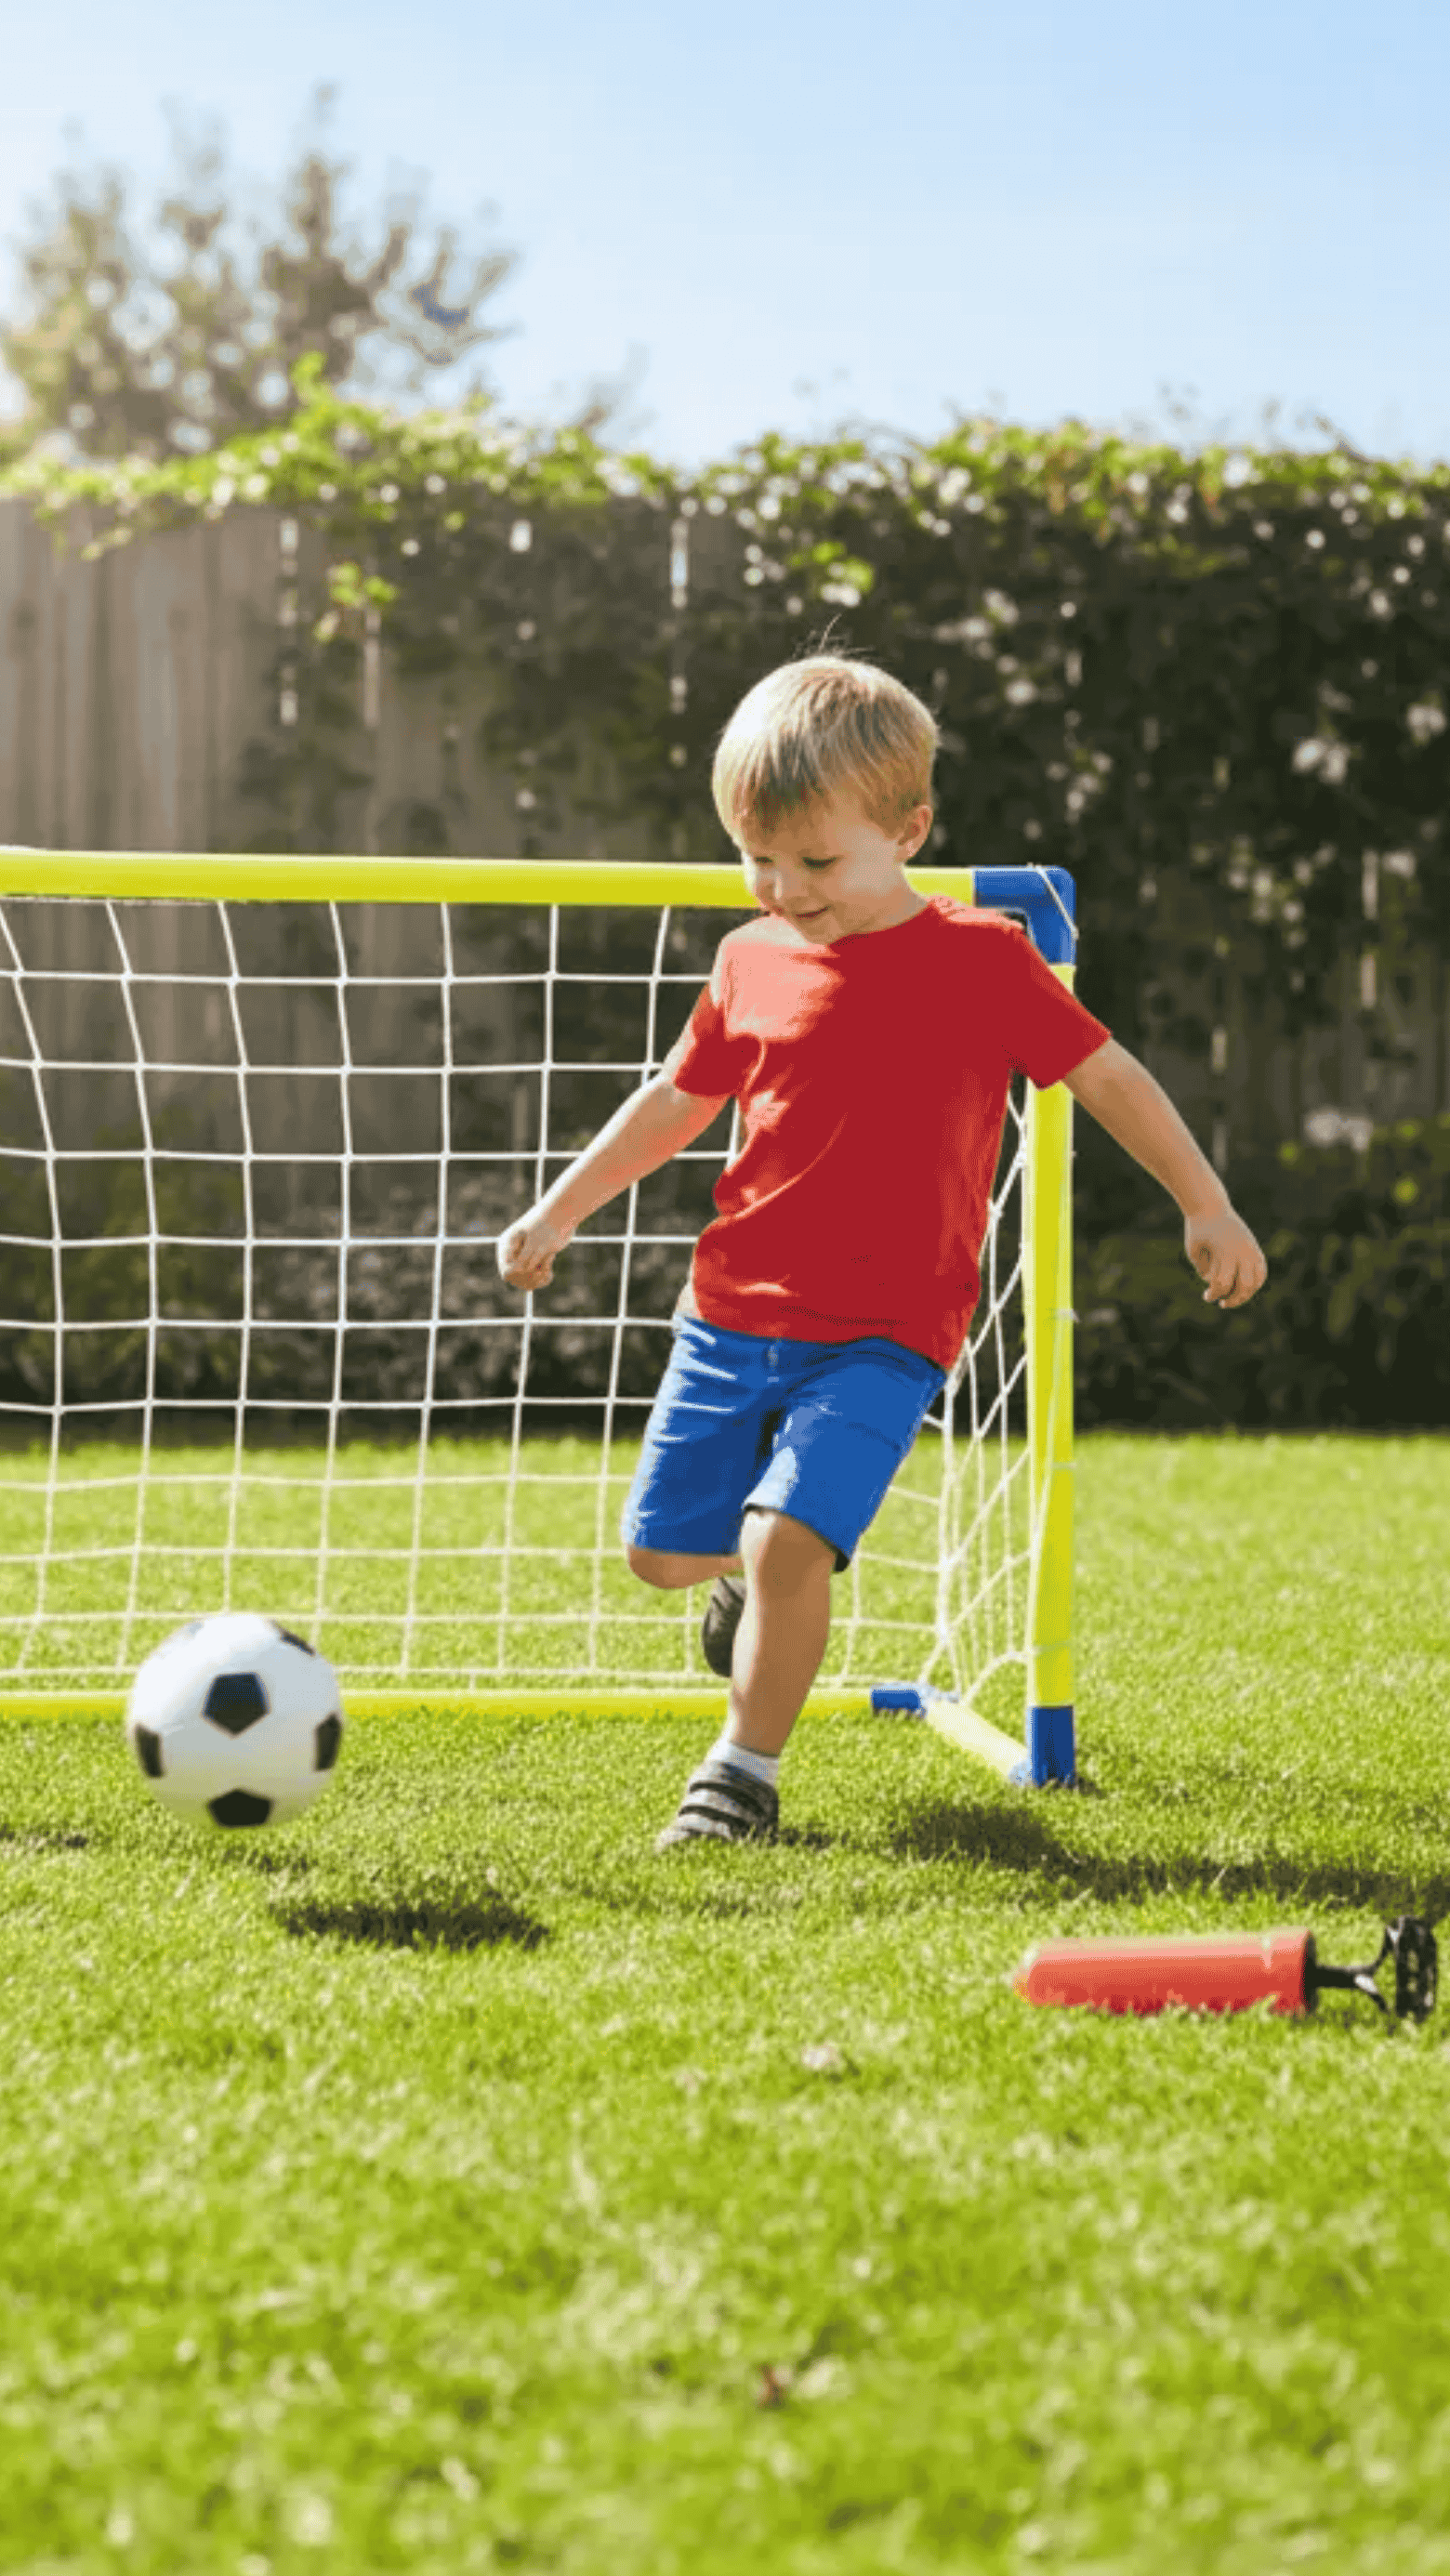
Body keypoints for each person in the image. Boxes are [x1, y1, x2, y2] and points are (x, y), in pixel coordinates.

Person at [494, 654, 1267, 1847]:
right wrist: (559, 1209)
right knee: (663, 1556)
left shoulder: (980, 960)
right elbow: (675, 1100)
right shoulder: (749, 960)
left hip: (885, 1331)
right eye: (756, 858)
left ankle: (740, 1776)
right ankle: (746, 1591)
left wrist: (1203, 1200)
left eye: (816, 862)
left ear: (909, 831)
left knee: (787, 1534)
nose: (783, 888)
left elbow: (1107, 1073)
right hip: (732, 1315)